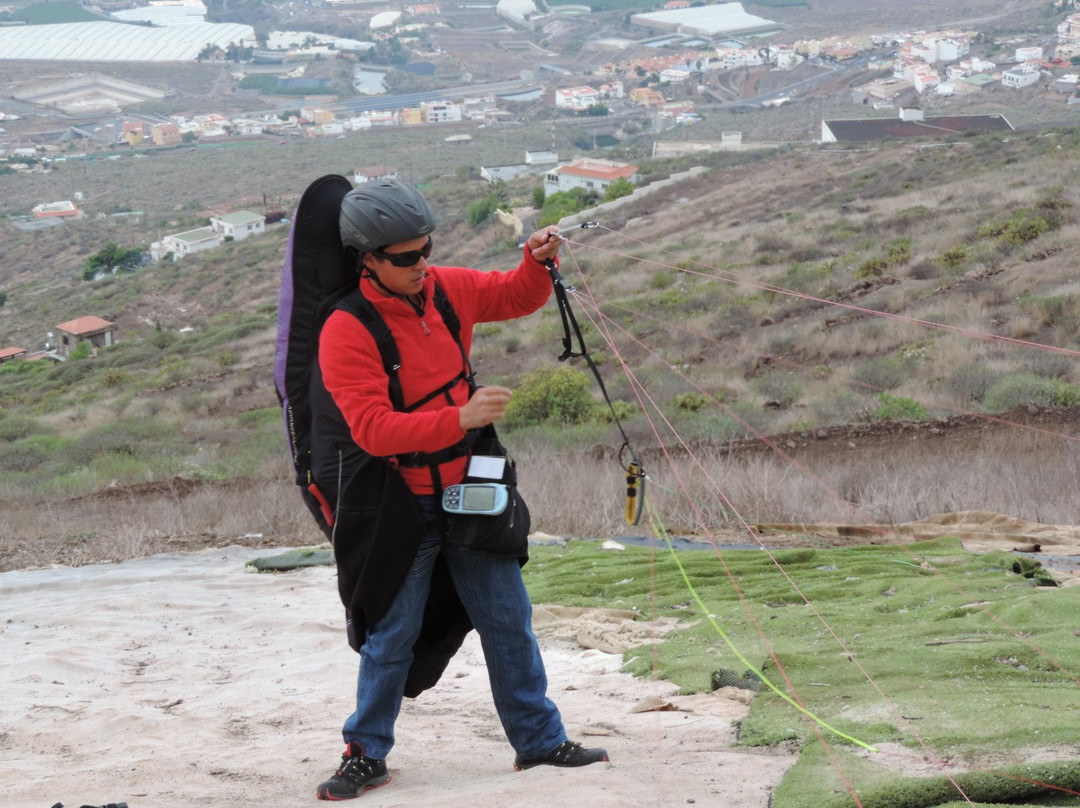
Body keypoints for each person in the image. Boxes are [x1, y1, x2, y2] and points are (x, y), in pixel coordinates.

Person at [310, 179, 610, 801]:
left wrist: (534, 260)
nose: (423, 265)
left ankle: (539, 742)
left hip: (470, 490)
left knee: (509, 622)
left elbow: (511, 295)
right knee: (391, 636)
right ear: (368, 259)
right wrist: (462, 418)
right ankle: (366, 753)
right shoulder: (345, 329)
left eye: (427, 250)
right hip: (397, 504)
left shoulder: (444, 289)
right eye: (406, 258)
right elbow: (371, 429)